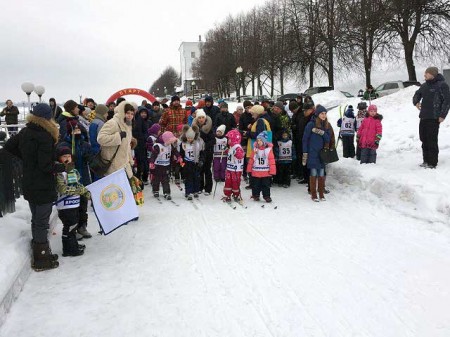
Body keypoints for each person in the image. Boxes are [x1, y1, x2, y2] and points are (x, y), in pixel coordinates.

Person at [4, 103, 66, 271]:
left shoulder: (25, 131)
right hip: (42, 185)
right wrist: (63, 167)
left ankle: (40, 252)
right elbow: (46, 166)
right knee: (41, 221)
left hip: (29, 183)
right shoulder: (45, 136)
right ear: (47, 118)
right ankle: (41, 258)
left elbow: (9, 146)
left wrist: (26, 158)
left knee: (36, 218)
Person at [55, 146, 90, 256]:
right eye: (64, 156)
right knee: (69, 226)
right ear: (59, 158)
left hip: (74, 203)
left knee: (74, 225)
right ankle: (69, 249)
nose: (67, 158)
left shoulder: (73, 170)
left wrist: (85, 191)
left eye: (69, 156)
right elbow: (62, 188)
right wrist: (77, 190)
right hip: (65, 205)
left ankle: (73, 245)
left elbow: (77, 183)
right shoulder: (59, 172)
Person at [413, 66, 450, 169]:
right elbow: (417, 94)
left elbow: (447, 101)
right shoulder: (424, 86)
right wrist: (416, 102)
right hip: (424, 117)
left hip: (434, 118)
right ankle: (426, 160)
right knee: (423, 138)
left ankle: (432, 162)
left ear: (432, 74)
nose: (424, 75)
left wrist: (442, 115)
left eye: (426, 73)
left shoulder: (442, 85)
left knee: (431, 140)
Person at [97, 101, 135, 179]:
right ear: (122, 112)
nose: (130, 116)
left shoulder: (127, 126)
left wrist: (130, 161)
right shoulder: (113, 123)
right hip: (113, 166)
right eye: (127, 113)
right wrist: (118, 137)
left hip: (124, 165)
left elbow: (127, 147)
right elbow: (100, 138)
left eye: (132, 114)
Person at [302, 105, 331, 202]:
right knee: (313, 173)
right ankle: (314, 194)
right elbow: (305, 139)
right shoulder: (311, 124)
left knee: (322, 173)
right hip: (312, 153)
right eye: (322, 113)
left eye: (325, 113)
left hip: (321, 154)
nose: (324, 115)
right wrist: (305, 152)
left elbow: (328, 139)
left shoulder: (325, 124)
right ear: (318, 114)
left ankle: (321, 194)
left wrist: (321, 132)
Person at [149, 131, 181, 200]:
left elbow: (174, 151)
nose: (171, 143)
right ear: (166, 140)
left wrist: (178, 156)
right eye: (170, 141)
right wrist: (152, 162)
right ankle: (155, 190)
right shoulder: (158, 146)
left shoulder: (170, 145)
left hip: (166, 165)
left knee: (165, 180)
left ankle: (167, 192)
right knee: (156, 179)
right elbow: (153, 155)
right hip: (158, 166)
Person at [247, 131, 276, 202]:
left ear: (264, 141)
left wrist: (272, 171)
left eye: (260, 140)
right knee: (255, 185)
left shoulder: (268, 150)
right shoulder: (255, 150)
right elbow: (251, 160)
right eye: (258, 140)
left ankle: (266, 196)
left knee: (266, 185)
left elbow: (271, 161)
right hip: (256, 171)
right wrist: (249, 169)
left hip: (265, 172)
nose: (259, 142)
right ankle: (255, 195)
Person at [191, 109, 214, 195]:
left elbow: (213, 140)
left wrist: (204, 145)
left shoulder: (209, 128)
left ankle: (208, 188)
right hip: (198, 152)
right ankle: (199, 187)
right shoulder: (194, 128)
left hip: (207, 151)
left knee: (207, 170)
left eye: (202, 118)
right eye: (199, 118)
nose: (201, 119)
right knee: (199, 169)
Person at [180, 125, 205, 200]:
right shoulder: (184, 143)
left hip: (196, 163)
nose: (189, 139)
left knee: (196, 177)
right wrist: (182, 164)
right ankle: (188, 192)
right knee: (188, 178)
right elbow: (181, 154)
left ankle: (196, 191)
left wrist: (201, 160)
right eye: (188, 138)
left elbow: (202, 153)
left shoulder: (198, 143)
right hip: (187, 163)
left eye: (191, 138)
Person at [222, 129, 245, 202]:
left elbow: (241, 155)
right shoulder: (231, 147)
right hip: (229, 168)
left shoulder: (237, 147)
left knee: (235, 182)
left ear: (233, 139)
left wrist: (235, 153)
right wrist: (226, 150)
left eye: (229, 139)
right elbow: (229, 154)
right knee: (228, 182)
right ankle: (227, 194)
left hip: (236, 169)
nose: (228, 141)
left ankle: (236, 194)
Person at [133, 106, 151, 186]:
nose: (143, 114)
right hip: (140, 144)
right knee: (141, 162)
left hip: (145, 144)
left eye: (145, 113)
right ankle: (140, 178)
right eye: (142, 113)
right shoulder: (138, 121)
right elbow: (138, 133)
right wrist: (144, 138)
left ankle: (144, 177)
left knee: (144, 162)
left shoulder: (147, 121)